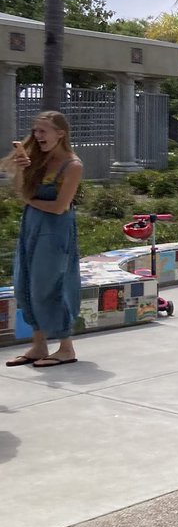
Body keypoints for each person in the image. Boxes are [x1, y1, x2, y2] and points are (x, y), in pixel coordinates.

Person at [3, 112, 84, 368]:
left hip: (55, 229)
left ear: (60, 133)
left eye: (43, 131)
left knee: (50, 285)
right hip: (32, 225)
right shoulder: (37, 160)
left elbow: (60, 207)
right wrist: (20, 169)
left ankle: (65, 347)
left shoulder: (72, 165)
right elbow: (22, 191)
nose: (37, 137)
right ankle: (39, 345)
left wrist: (29, 202)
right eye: (35, 131)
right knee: (24, 283)